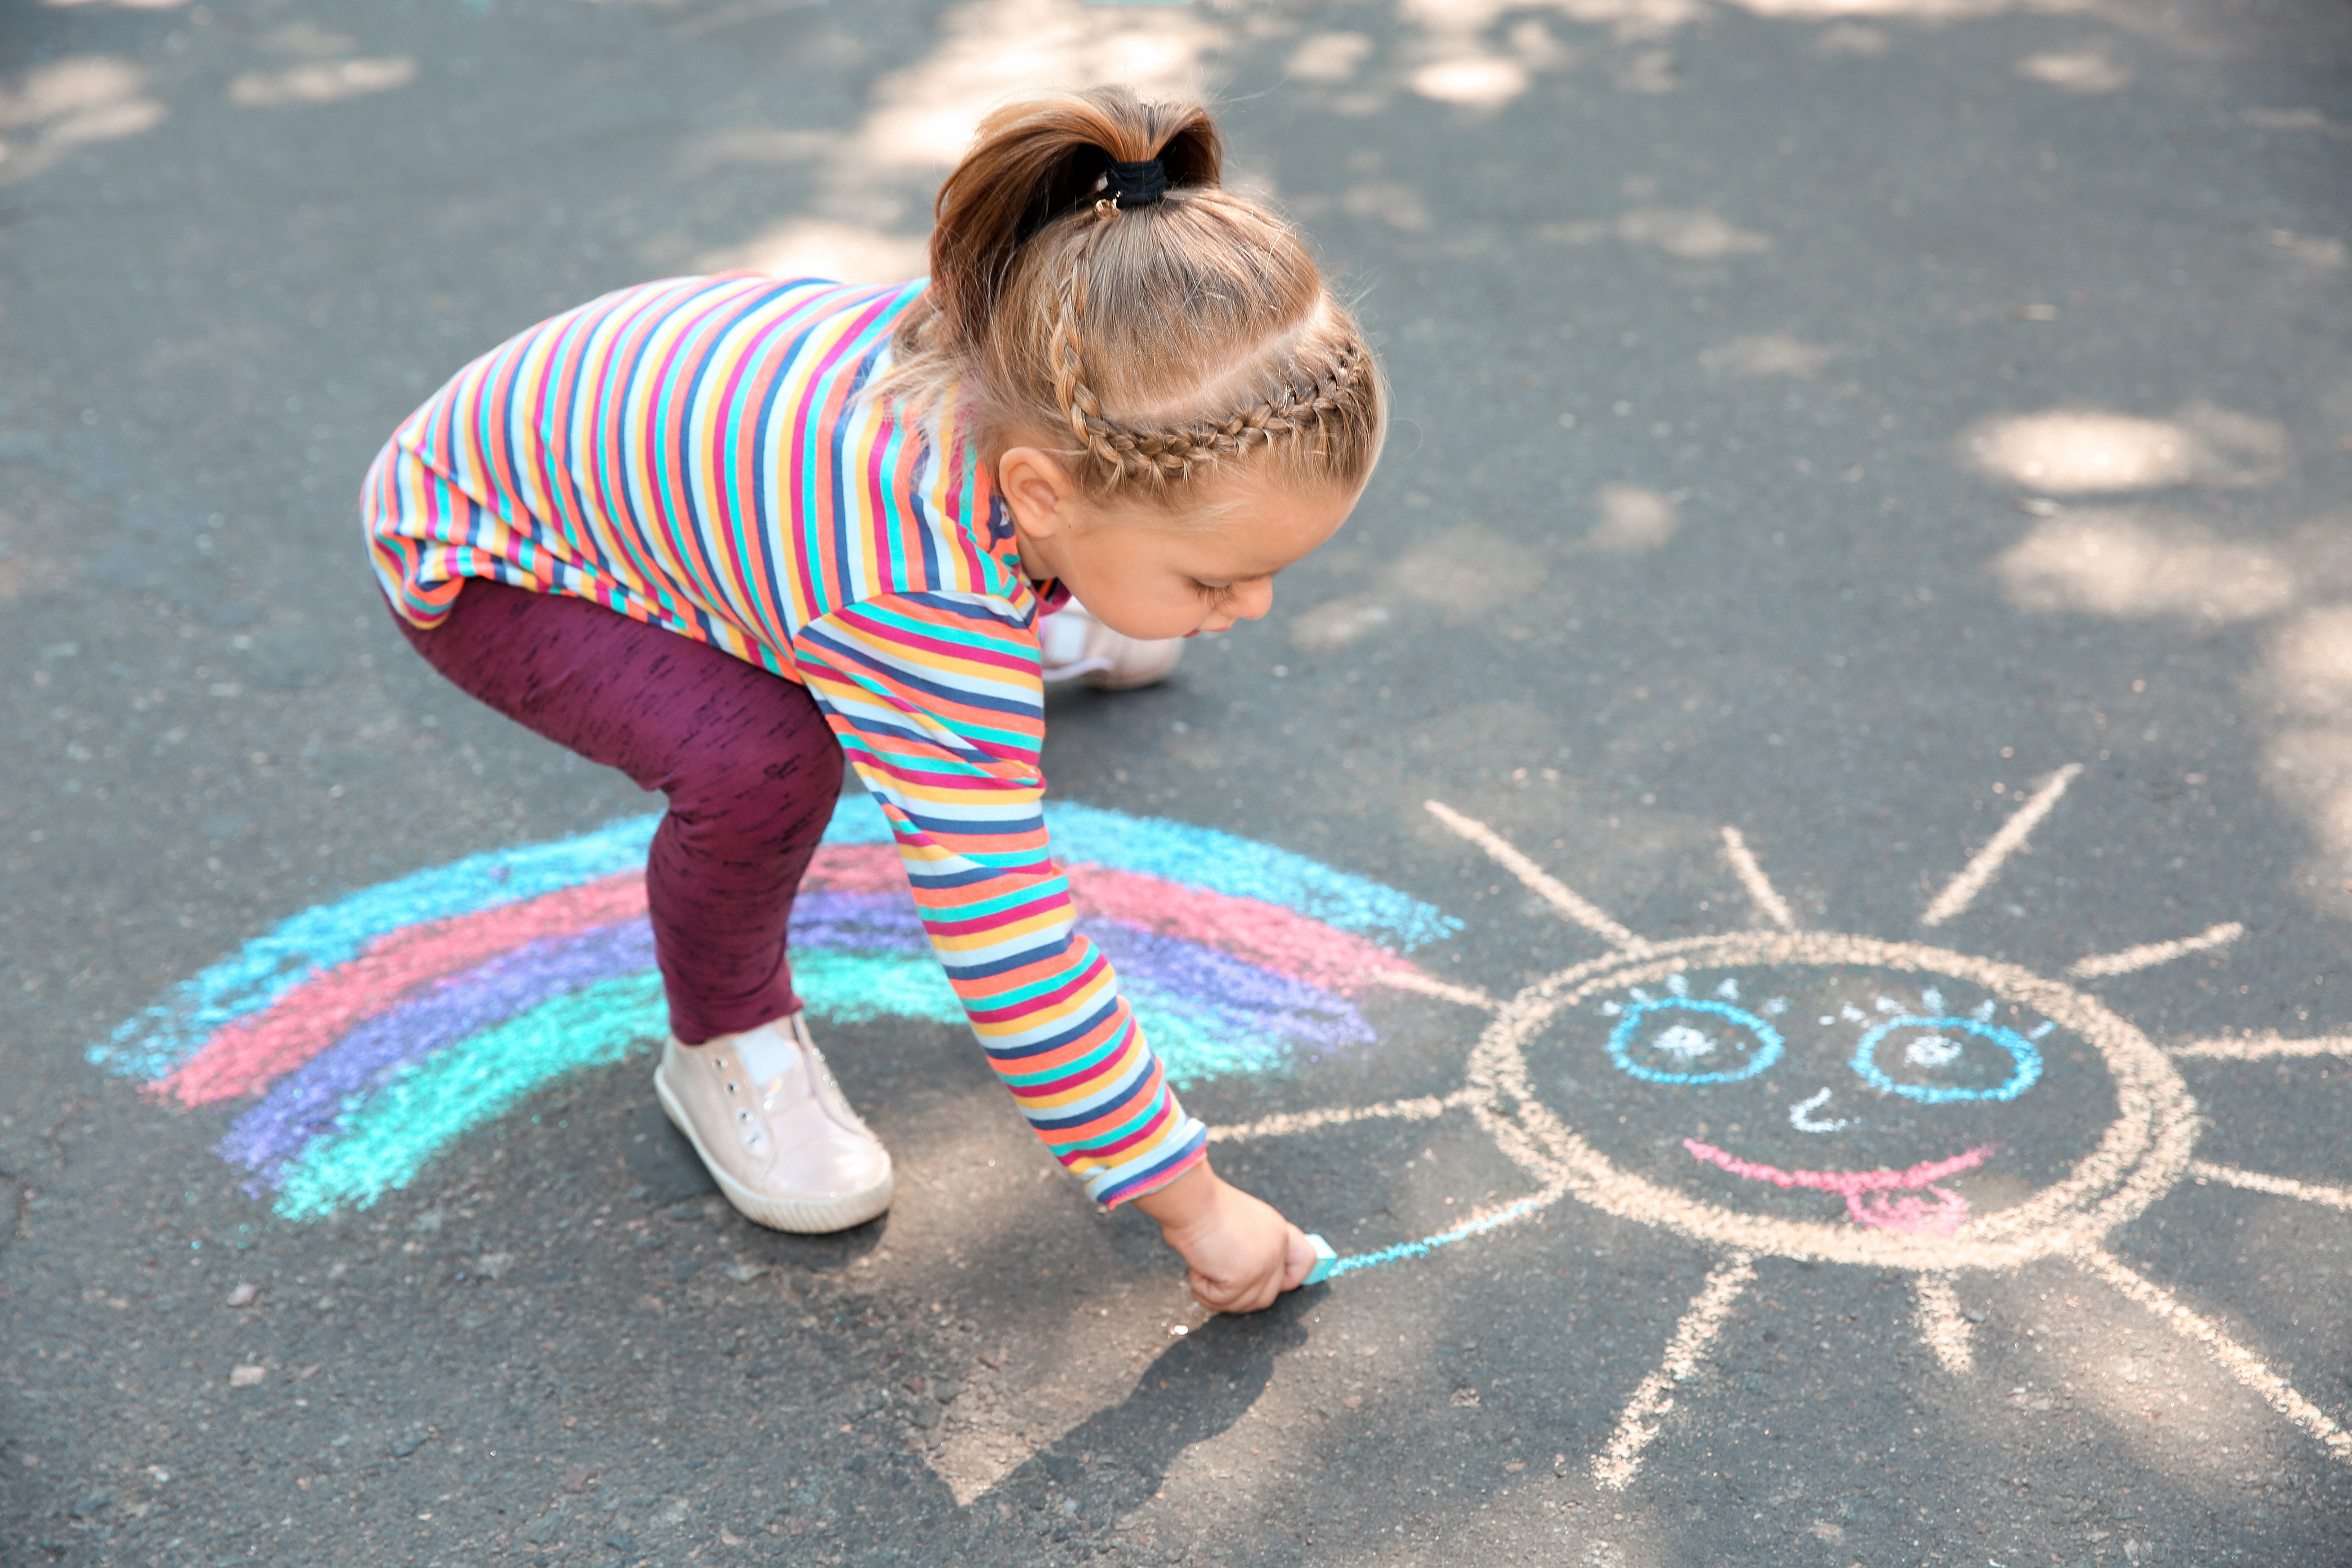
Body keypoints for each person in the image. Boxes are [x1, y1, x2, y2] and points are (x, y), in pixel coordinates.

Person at [362, 87, 1384, 1313]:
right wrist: (1191, 1200)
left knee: (922, 632)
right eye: (1217, 578)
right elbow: (1010, 937)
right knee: (765, 764)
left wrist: (1137, 581)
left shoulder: (1040, 353)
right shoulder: (917, 598)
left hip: (711, 486)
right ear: (1040, 495)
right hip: (494, 553)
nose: (1256, 607)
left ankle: (1076, 606)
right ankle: (722, 1048)